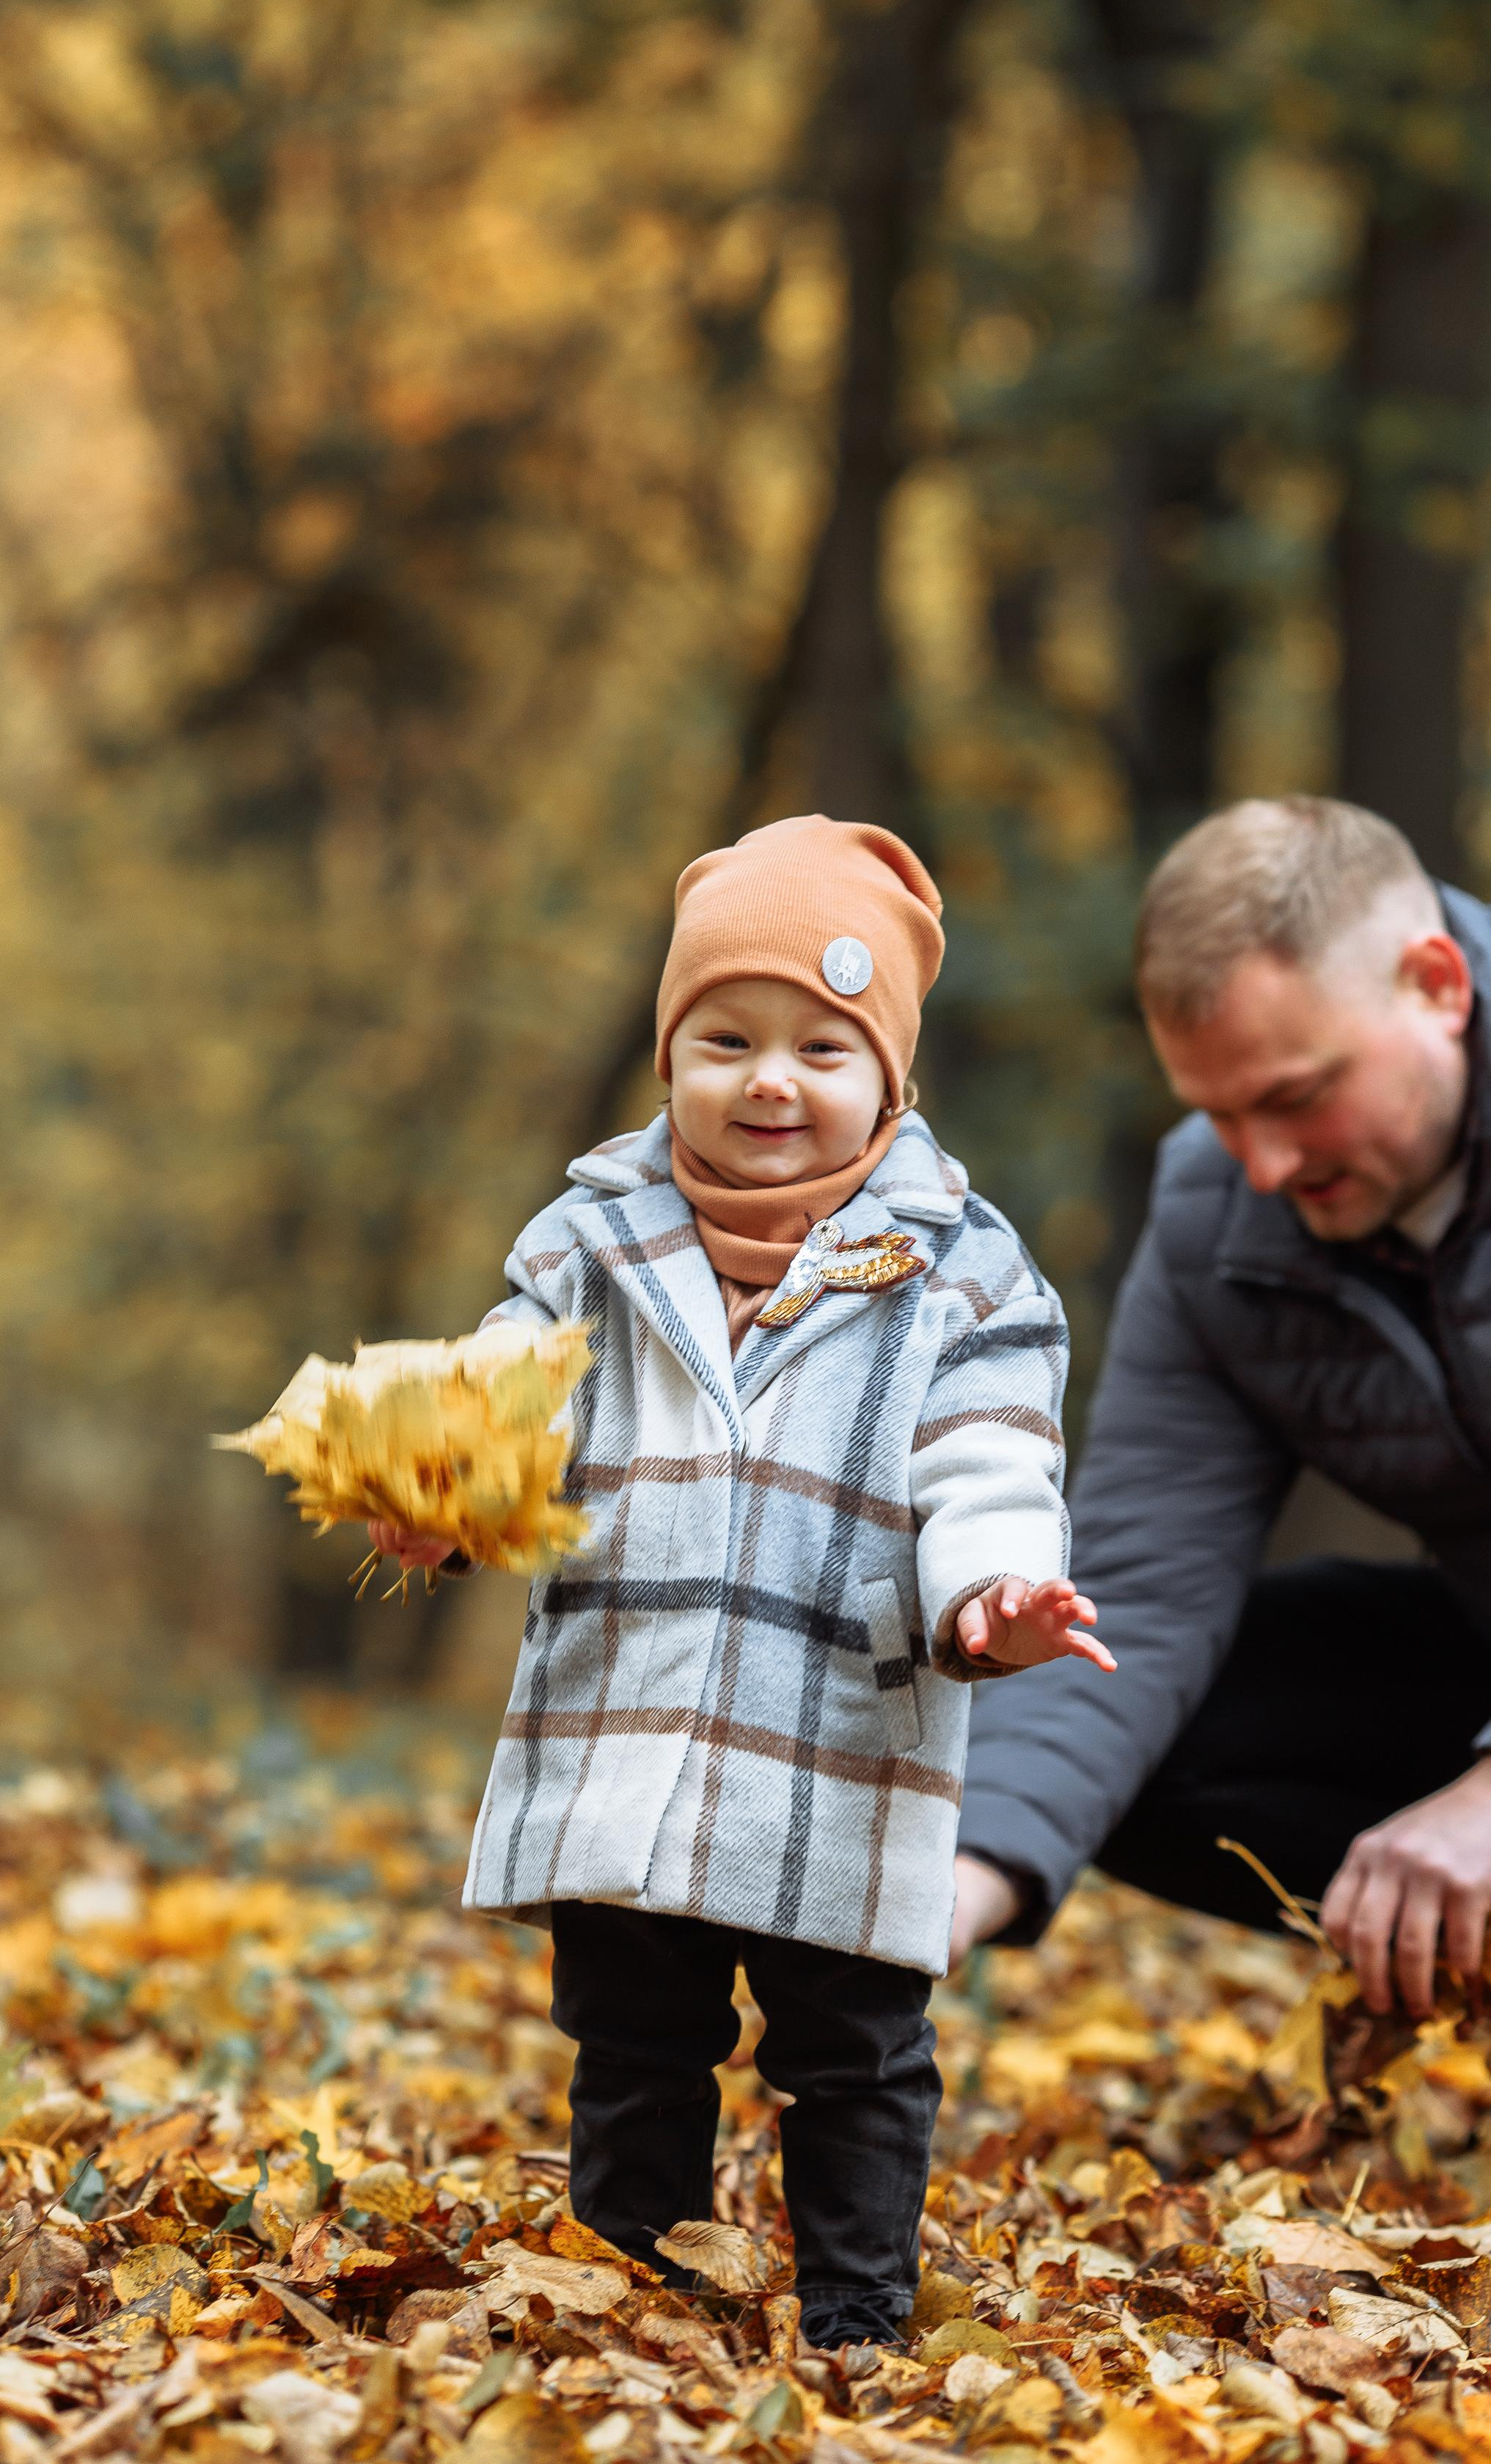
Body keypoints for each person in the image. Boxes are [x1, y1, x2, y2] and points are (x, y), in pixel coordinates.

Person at [371, 815, 1113, 2351]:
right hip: (628, 1728)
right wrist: (448, 1478)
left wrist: (995, 1588)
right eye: (726, 1036)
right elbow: (516, 1385)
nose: (769, 1078)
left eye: (821, 1048)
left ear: (888, 1079)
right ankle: (624, 2279)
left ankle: (855, 2312)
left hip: (832, 1737)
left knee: (852, 2048)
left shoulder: (959, 1273)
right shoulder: (590, 1244)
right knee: (636, 2038)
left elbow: (988, 1455)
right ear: (670, 1059)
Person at [953, 796, 1491, 2110]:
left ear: (1435, 985)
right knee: (1166, 1725)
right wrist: (962, 1883)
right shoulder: (1220, 1213)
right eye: (1219, 1114)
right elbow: (1142, 1587)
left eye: (1295, 1098)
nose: (1264, 1166)